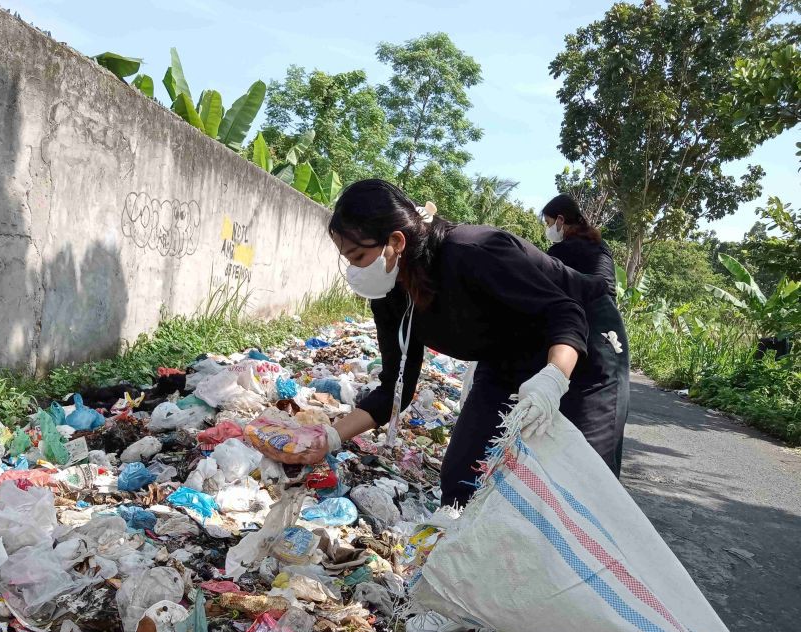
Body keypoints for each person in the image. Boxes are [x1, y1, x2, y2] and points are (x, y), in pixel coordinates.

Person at [267, 179, 629, 503]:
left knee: (581, 486)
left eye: (359, 257)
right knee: (463, 480)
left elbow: (563, 313)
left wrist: (553, 379)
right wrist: (328, 439)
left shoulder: (474, 250)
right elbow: (396, 388)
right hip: (506, 355)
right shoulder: (390, 294)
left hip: (584, 345)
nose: (355, 271)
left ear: (396, 241)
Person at [540, 193, 617, 294]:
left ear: (560, 220)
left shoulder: (562, 250)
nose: (548, 228)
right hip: (610, 306)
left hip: (584, 308)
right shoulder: (601, 244)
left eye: (548, 222)